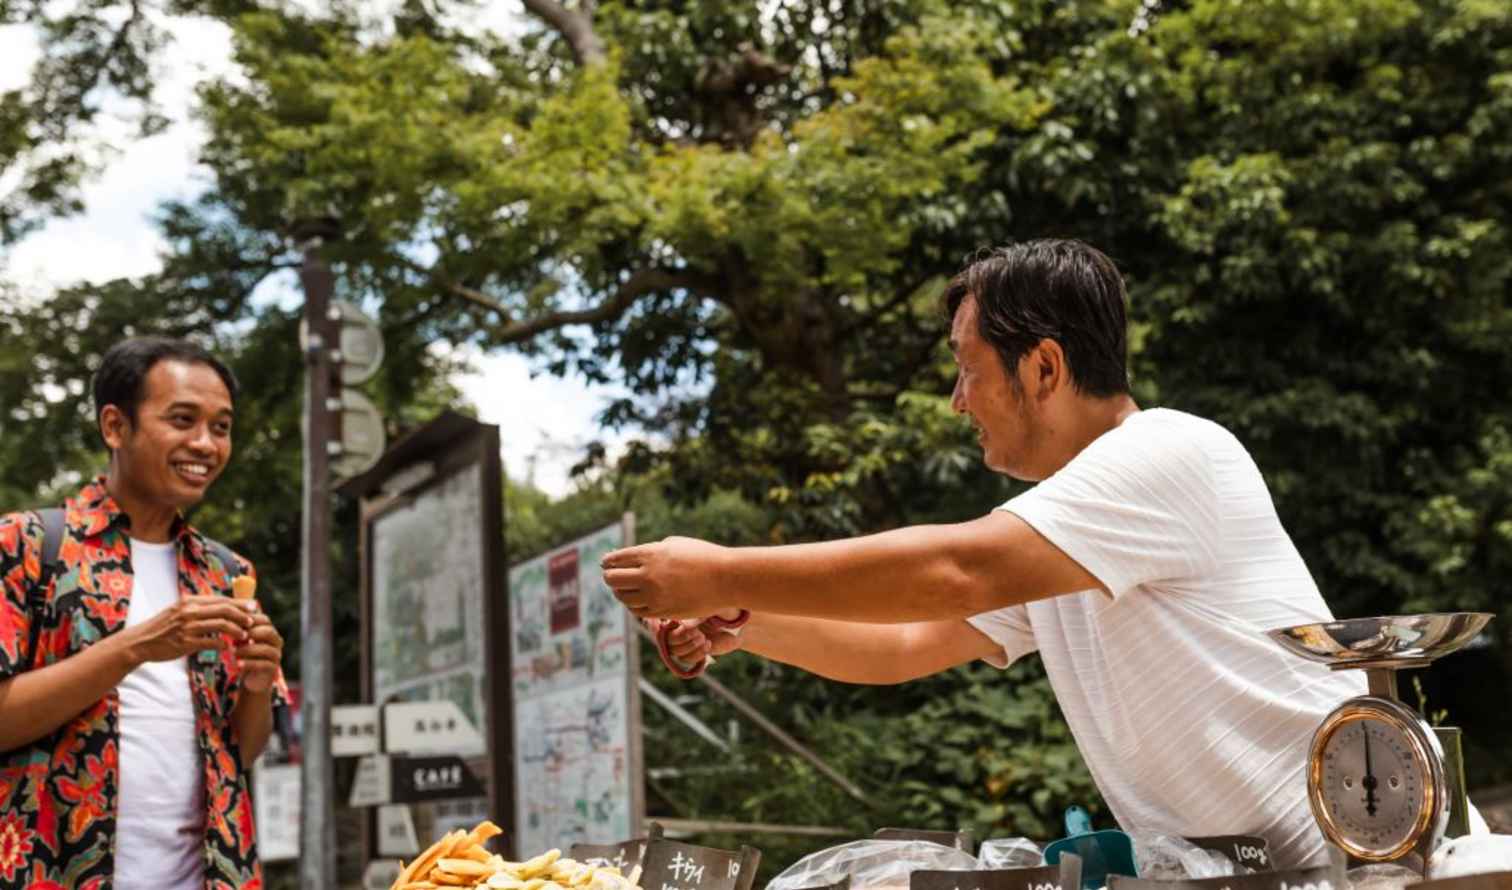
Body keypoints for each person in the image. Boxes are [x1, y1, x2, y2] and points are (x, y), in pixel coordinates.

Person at [602, 239, 1368, 869]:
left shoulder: (1172, 453)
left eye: (968, 369)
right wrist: (743, 622)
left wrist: (717, 572)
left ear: (1043, 368)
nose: (957, 400)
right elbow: (903, 643)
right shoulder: (1062, 535)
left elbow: (957, 570)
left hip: (1357, 862)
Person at [0, 336, 288, 890]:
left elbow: (241, 752)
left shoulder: (228, 575)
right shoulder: (29, 545)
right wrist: (136, 646)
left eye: (221, 427)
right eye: (183, 420)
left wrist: (256, 683)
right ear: (115, 427)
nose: (205, 444)